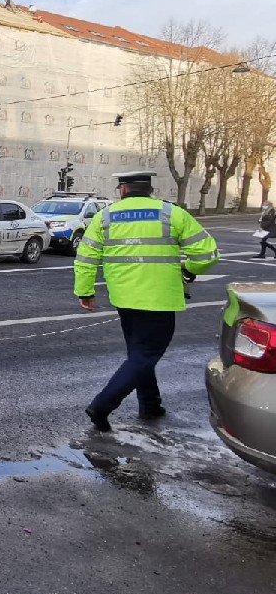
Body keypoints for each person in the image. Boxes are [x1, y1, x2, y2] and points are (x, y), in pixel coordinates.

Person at [74, 170, 219, 431]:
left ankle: (150, 404)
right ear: (149, 189)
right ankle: (102, 405)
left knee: (139, 353)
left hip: (124, 297)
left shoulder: (105, 216)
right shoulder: (171, 213)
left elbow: (86, 256)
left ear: (124, 189)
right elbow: (207, 253)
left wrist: (85, 292)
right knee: (145, 355)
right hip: (159, 298)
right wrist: (188, 271)